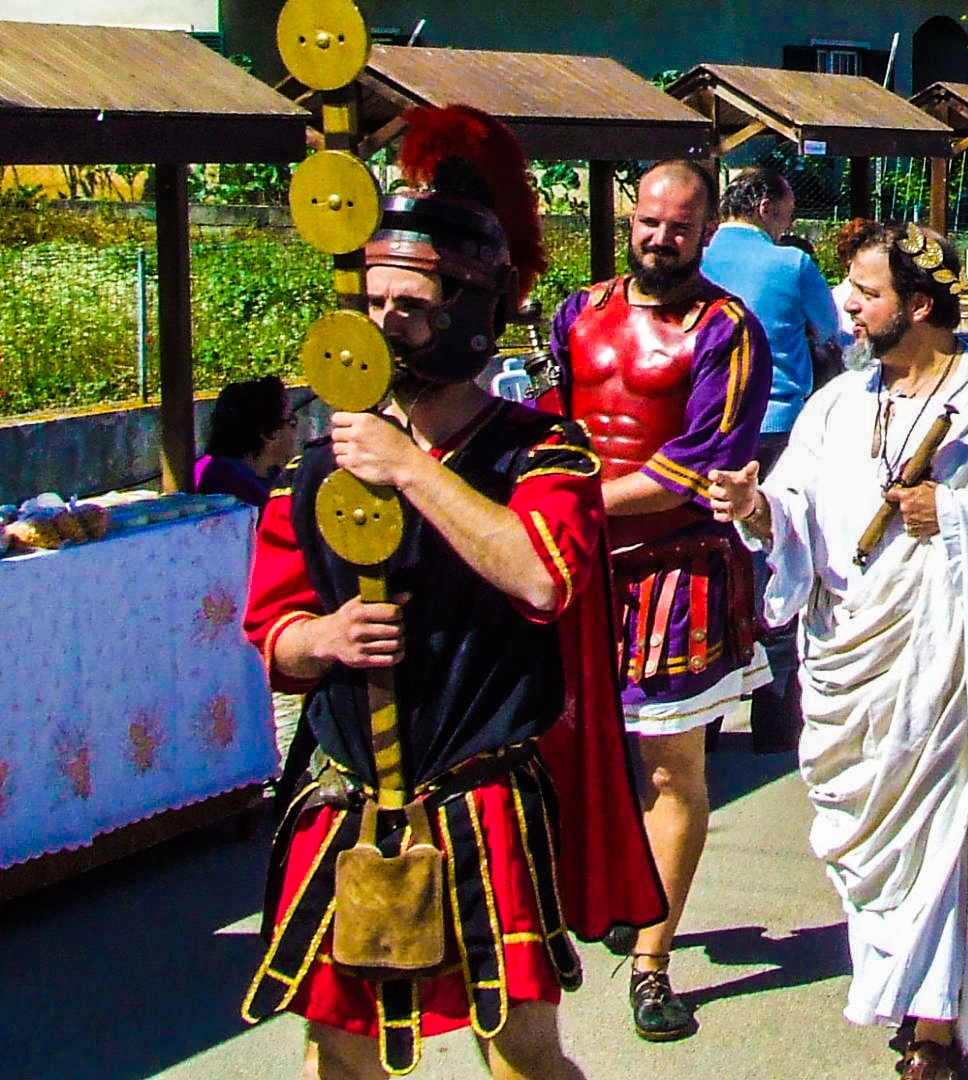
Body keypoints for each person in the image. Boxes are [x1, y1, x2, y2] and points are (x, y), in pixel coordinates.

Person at [239, 104, 665, 1078]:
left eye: (412, 305)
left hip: (482, 801)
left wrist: (410, 470)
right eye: (373, 302)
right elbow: (274, 632)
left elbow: (543, 576)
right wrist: (322, 640)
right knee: (337, 1057)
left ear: (468, 309)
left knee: (521, 1057)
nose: (386, 324)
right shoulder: (320, 467)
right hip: (348, 801)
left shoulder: (540, 451)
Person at [706, 222, 968, 1080]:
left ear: (916, 304)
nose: (846, 305)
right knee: (873, 852)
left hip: (948, 659)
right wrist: (757, 508)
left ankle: (934, 1024)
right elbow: (796, 504)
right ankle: (906, 988)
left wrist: (958, 513)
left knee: (943, 840)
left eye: (866, 292)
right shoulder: (840, 402)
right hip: (852, 658)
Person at [546, 159, 774, 1042]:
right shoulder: (578, 311)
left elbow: (698, 463)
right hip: (580, 571)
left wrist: (571, 506)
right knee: (565, 749)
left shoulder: (728, 329)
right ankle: (589, 897)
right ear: (630, 217)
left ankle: (651, 961)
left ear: (707, 230)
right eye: (649, 221)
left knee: (671, 770)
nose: (660, 238)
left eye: (680, 226)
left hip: (675, 575)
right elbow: (554, 425)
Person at [701, 165, 845, 753]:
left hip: (707, 429)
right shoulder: (791, 264)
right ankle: (774, 717)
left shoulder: (698, 258)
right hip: (777, 425)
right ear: (764, 206)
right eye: (785, 212)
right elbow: (831, 328)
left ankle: (704, 716)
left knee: (711, 568)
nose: (788, 223)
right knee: (779, 557)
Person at [194, 375, 298, 511]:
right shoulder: (228, 493)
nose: (295, 431)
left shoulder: (271, 477)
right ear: (269, 433)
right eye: (291, 422)